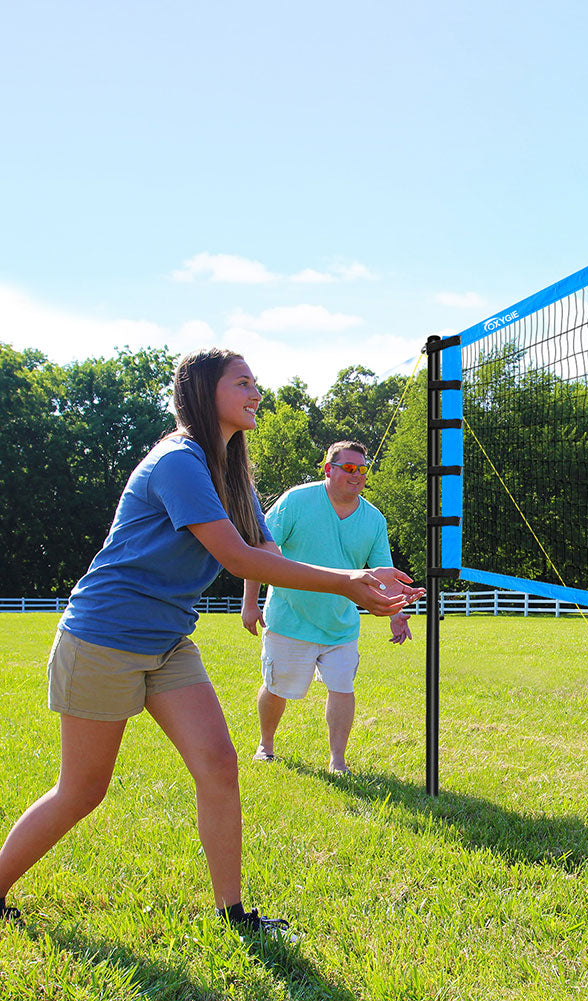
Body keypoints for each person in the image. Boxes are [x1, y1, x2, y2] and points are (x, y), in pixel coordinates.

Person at [0, 348, 418, 933]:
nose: (256, 393)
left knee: (219, 765)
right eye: (242, 382)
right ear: (203, 390)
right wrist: (348, 583)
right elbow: (236, 558)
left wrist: (361, 579)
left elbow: (266, 552)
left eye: (255, 383)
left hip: (169, 640)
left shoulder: (231, 472)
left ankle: (233, 914)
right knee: (83, 790)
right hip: (104, 637)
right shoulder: (178, 461)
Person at [241, 440, 411, 775]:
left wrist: (396, 613)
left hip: (341, 624)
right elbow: (259, 550)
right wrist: (250, 603)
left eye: (362, 469)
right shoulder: (296, 500)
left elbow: (384, 573)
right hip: (290, 618)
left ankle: (338, 761)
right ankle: (266, 746)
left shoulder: (374, 519)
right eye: (349, 468)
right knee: (277, 687)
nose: (357, 475)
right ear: (328, 470)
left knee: (343, 688)